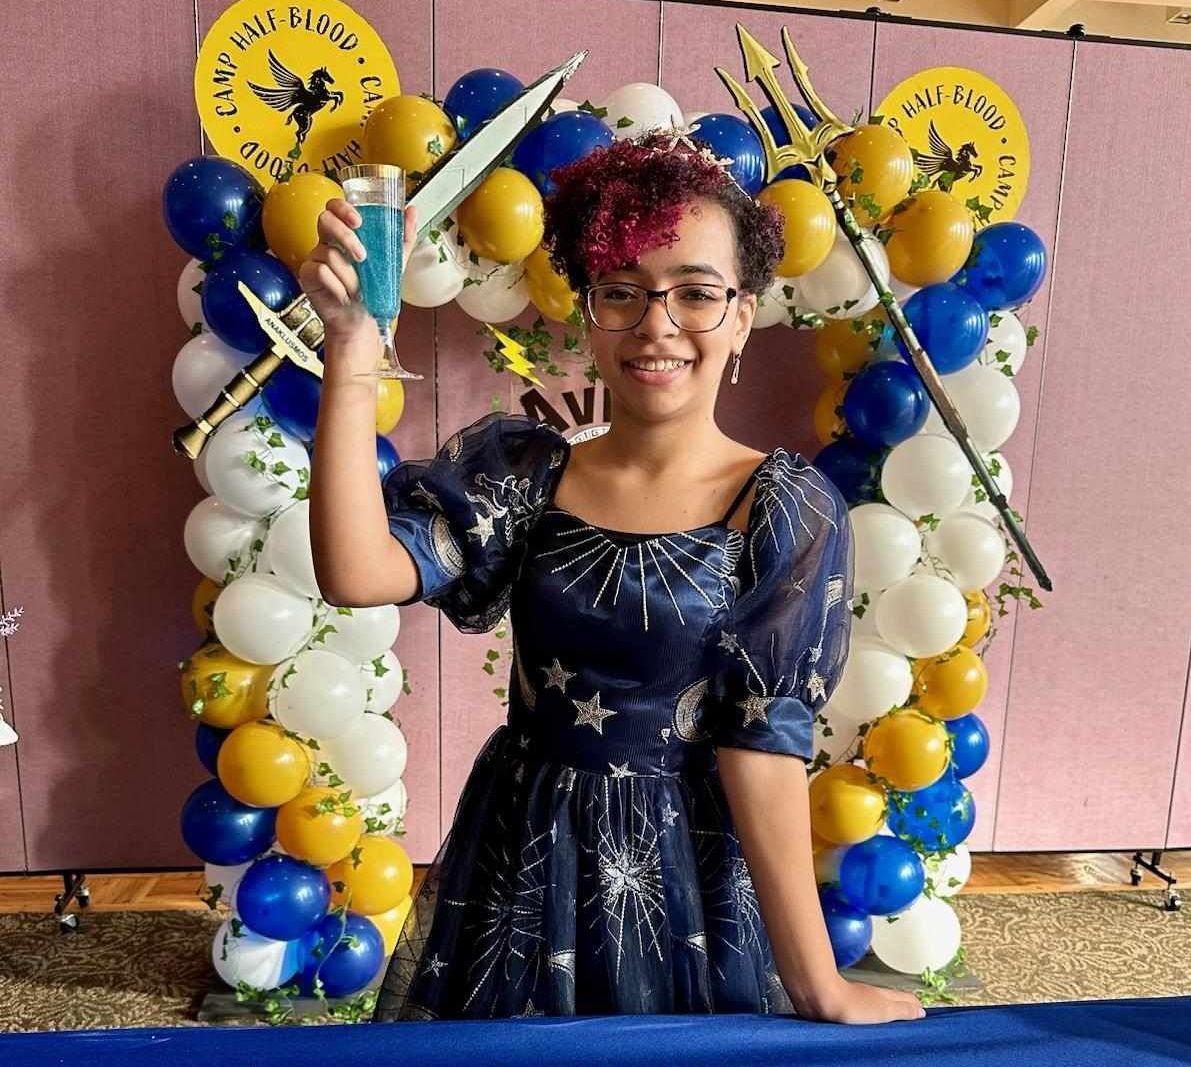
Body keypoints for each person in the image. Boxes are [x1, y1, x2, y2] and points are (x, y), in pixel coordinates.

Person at [301, 128, 924, 1025]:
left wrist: (815, 982)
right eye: (622, 292)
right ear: (588, 309)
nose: (656, 325)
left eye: (696, 295)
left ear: (742, 314)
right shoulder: (525, 473)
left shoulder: (785, 507)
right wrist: (351, 355)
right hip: (520, 856)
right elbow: (357, 571)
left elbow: (762, 748)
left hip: (680, 877)